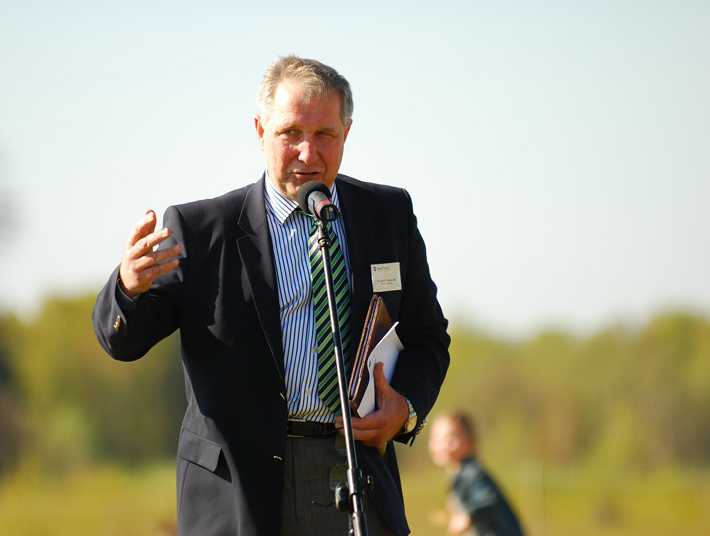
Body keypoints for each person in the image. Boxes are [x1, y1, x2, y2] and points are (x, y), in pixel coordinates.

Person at [92, 55, 450, 536]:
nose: (308, 152)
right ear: (260, 130)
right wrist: (127, 289)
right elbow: (125, 341)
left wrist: (403, 408)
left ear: (347, 133)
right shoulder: (201, 230)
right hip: (240, 491)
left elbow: (429, 337)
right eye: (290, 134)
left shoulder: (388, 215)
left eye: (325, 134)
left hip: (356, 475)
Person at [428, 412, 525, 536]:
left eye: (450, 438)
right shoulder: (457, 474)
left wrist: (468, 517)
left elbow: (489, 500)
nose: (443, 445)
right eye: (436, 438)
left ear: (470, 441)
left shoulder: (472, 473)